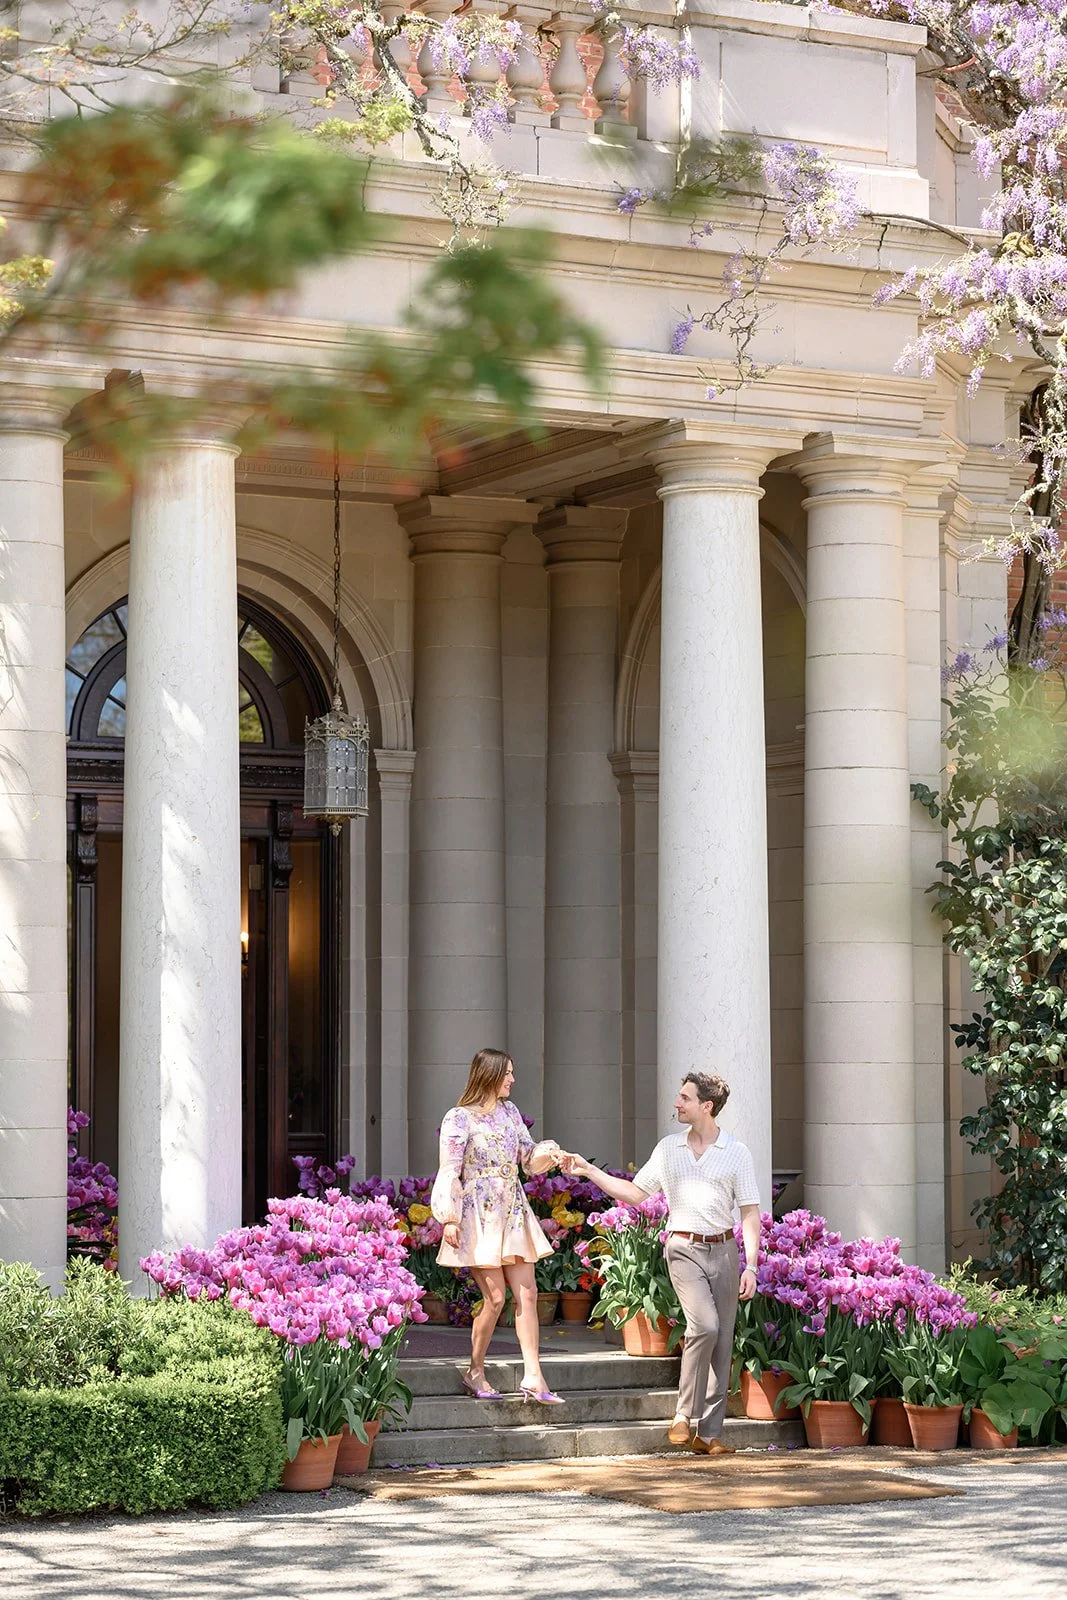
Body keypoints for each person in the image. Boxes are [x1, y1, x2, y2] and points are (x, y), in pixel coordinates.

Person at [566, 1071, 761, 1455]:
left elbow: (750, 1213)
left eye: (684, 1098)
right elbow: (636, 1193)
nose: (677, 1103)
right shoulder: (669, 1148)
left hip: (724, 1251)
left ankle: (709, 1435)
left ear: (706, 1106)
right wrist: (589, 1172)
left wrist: (751, 1265)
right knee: (703, 1326)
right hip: (682, 1248)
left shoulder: (736, 1152)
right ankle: (682, 1416)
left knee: (722, 1343)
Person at [430, 1048, 574, 1405]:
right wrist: (450, 1217)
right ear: (490, 1074)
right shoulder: (458, 1118)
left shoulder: (510, 1113)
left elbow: (527, 1157)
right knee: (495, 1299)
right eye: (507, 1073)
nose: (512, 1079)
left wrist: (549, 1154)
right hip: (477, 1213)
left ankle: (534, 1376)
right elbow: (449, 1168)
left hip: (512, 1210)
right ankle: (475, 1370)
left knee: (528, 1294)